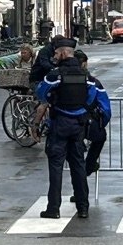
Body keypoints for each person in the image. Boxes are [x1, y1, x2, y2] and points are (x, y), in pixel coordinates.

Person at [34, 44, 107, 218]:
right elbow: (100, 100)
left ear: (64, 53)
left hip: (59, 123)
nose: (55, 56)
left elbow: (40, 93)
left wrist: (52, 99)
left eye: (57, 53)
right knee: (78, 166)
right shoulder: (88, 78)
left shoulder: (54, 75)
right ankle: (83, 208)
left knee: (56, 167)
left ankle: (54, 208)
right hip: (79, 126)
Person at [74, 49, 112, 176]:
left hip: (64, 124)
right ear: (84, 64)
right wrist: (101, 123)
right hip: (86, 123)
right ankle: (89, 165)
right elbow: (106, 108)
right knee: (100, 137)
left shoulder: (58, 79)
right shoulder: (92, 82)